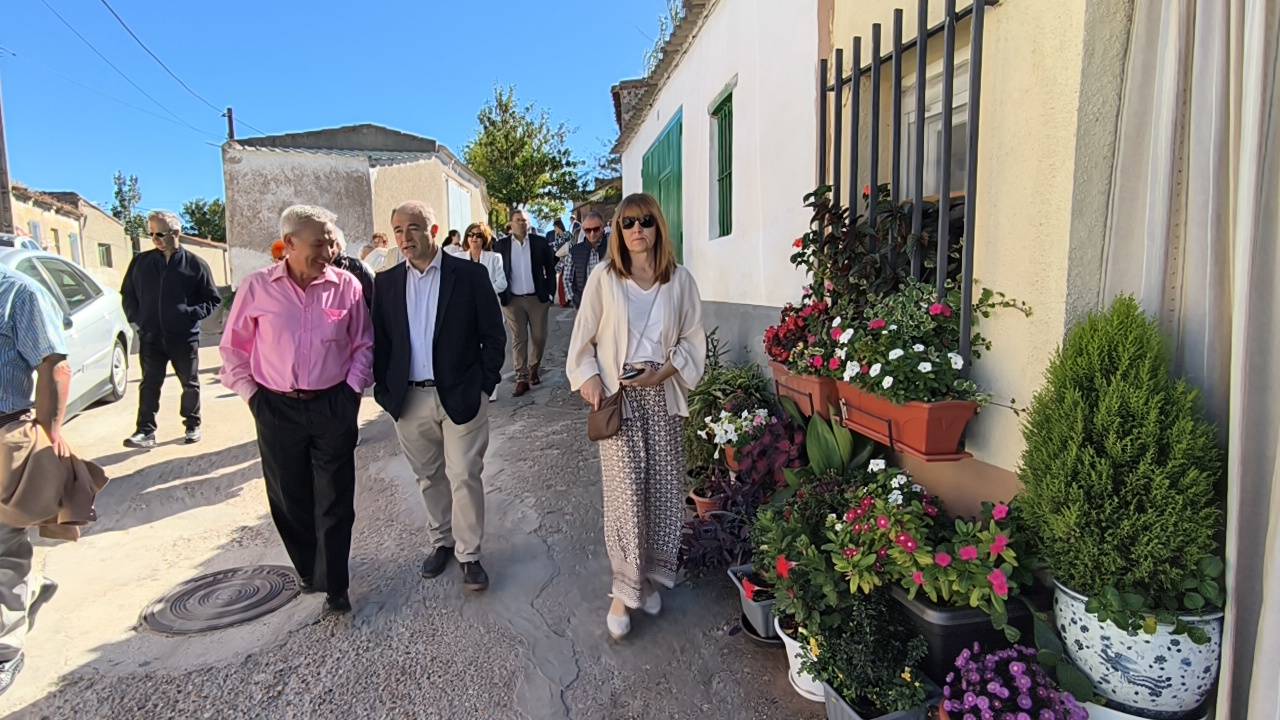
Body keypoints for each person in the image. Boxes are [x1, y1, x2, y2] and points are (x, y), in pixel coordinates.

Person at [219, 205, 373, 614]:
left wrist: (351, 393)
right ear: (289, 244)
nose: (328, 250)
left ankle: (336, 584)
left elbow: (363, 343)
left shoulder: (346, 286)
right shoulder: (256, 288)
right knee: (289, 497)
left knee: (336, 497)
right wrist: (252, 396)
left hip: (332, 405)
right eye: (318, 242)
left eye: (330, 241)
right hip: (276, 407)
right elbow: (233, 349)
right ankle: (308, 568)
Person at [565, 193, 705, 640]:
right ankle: (623, 592)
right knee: (626, 493)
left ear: (658, 226)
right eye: (627, 223)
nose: (637, 230)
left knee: (664, 489)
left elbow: (692, 339)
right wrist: (589, 379)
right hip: (619, 399)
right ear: (617, 232)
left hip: (661, 395)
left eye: (645, 221)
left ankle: (646, 578)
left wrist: (665, 370)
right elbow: (582, 342)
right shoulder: (605, 278)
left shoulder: (679, 281)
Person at [371, 202, 505, 592]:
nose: (404, 237)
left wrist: (485, 384)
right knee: (429, 477)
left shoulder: (469, 275)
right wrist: (385, 390)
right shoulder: (387, 282)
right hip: (409, 400)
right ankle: (441, 542)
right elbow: (380, 341)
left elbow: (493, 336)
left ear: (433, 231)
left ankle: (469, 554)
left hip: (461, 395)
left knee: (464, 474)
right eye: (397, 230)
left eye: (413, 228)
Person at [0, 263, 72, 694]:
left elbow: (54, 365)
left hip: (4, 430)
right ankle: (30, 591)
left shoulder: (16, 292)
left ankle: (5, 651)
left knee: (3, 546)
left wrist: (49, 432)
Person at [120, 211, 222, 448]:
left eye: (160, 234)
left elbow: (212, 299)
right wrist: (138, 319)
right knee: (149, 384)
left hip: (183, 337)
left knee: (189, 383)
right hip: (151, 336)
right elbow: (128, 294)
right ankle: (145, 431)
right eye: (152, 234)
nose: (155, 239)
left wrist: (189, 315)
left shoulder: (196, 265)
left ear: (176, 233)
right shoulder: (141, 263)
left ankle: (192, 423)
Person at [494, 209, 556, 397]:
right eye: (518, 220)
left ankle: (533, 368)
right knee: (518, 339)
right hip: (512, 300)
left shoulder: (539, 242)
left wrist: (550, 294)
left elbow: (551, 268)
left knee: (539, 337)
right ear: (510, 224)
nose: (522, 223)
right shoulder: (501, 245)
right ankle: (521, 378)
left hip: (536, 299)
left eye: (525, 220)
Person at [565, 211, 608, 308]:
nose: (592, 233)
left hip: (610, 303)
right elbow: (567, 278)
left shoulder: (613, 247)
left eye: (596, 229)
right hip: (584, 303)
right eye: (588, 230)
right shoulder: (575, 251)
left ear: (602, 228)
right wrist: (575, 299)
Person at [329, 228, 375, 310]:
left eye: (331, 244)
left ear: (339, 245)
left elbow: (374, 302)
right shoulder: (315, 271)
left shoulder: (358, 267)